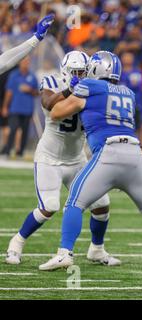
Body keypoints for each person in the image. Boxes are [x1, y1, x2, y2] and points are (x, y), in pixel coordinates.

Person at [38, 51, 142, 274]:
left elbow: (56, 113)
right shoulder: (128, 92)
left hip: (108, 153)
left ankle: (64, 254)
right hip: (134, 155)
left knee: (74, 204)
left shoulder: (89, 86)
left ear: (96, 69)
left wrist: (71, 90)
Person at [5, 51, 119, 266]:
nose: (80, 75)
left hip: (76, 159)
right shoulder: (52, 81)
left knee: (102, 204)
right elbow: (48, 103)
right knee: (49, 206)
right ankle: (16, 243)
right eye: (75, 72)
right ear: (66, 72)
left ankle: (97, 249)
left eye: (83, 72)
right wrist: (69, 90)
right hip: (50, 158)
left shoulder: (92, 89)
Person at [1, 57, 38, 157]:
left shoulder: (32, 76)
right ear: (20, 63)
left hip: (27, 109)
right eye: (24, 62)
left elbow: (37, 92)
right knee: (12, 129)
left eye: (27, 62)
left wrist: (29, 90)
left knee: (25, 131)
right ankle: (7, 150)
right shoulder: (14, 75)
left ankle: (20, 152)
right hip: (15, 108)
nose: (26, 63)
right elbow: (9, 92)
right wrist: (5, 106)